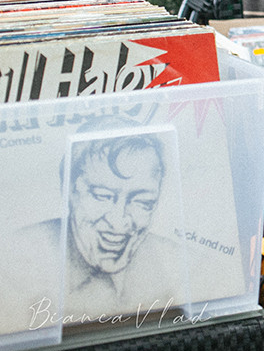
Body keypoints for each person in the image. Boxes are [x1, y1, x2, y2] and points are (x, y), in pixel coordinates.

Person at [6, 131, 181, 330]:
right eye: (102, 196)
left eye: (143, 202)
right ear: (69, 190)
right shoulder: (9, 261)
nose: (118, 222)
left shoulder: (186, 269)